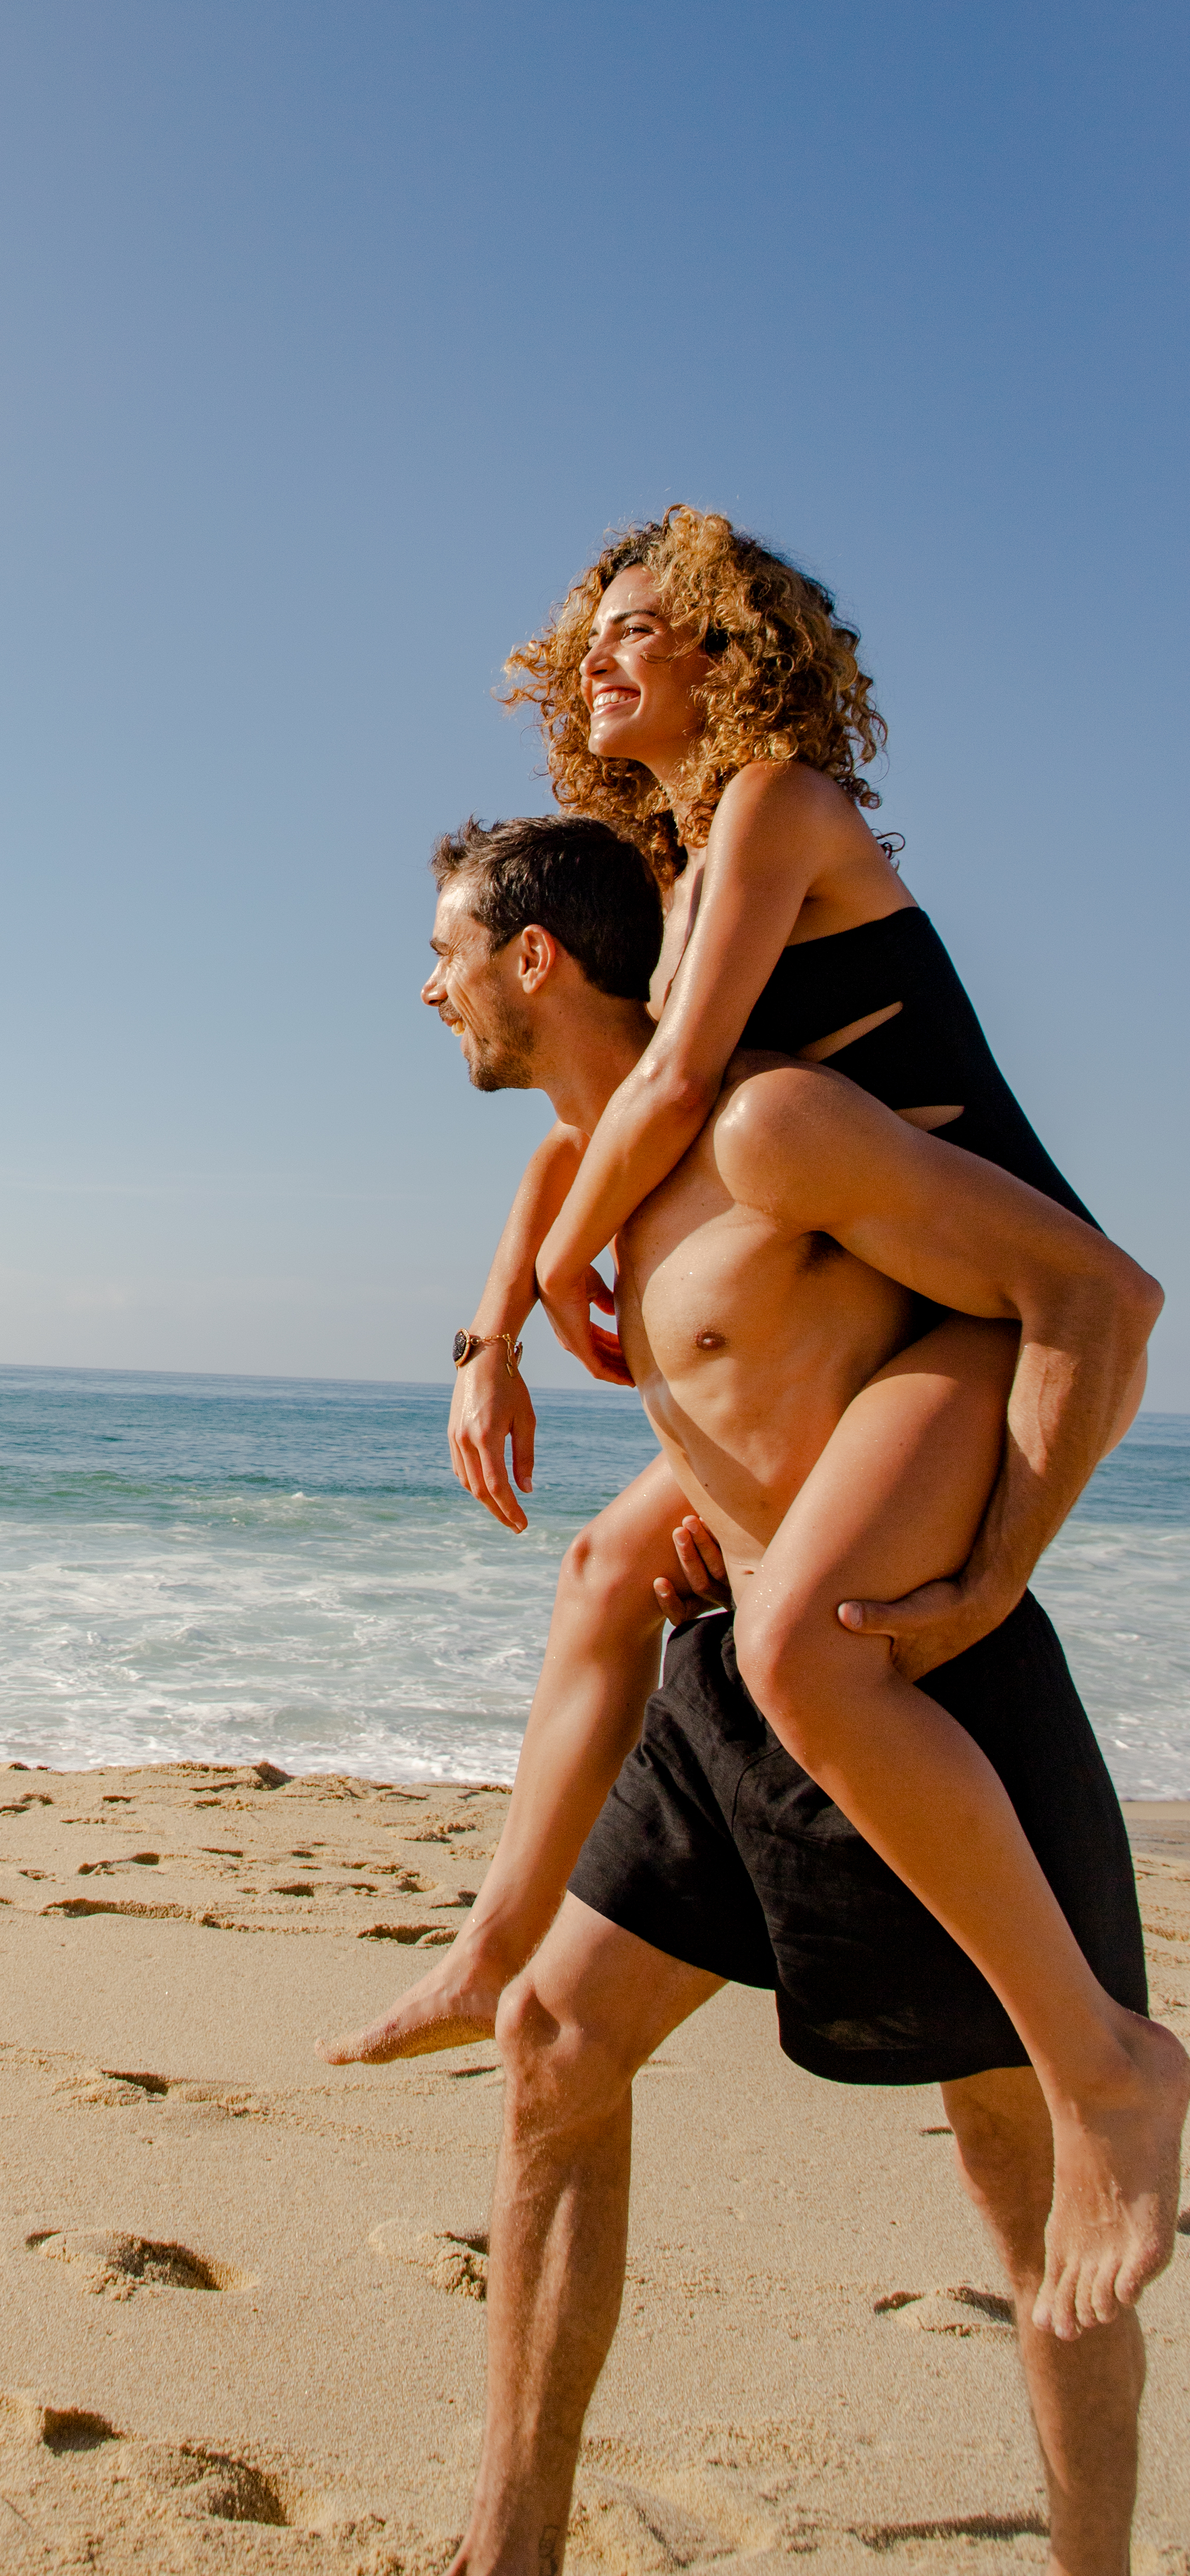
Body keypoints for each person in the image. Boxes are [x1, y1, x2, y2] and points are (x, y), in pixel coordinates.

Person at [330, 511, 1153, 2321]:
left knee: (794, 1642)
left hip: (995, 1308)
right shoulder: (680, 863)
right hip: (904, 1295)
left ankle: (1110, 2061)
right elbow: (598, 1112)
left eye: (641, 627)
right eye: (588, 638)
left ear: (728, 643)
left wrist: (573, 1271)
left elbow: (685, 1085)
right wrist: (494, 1322)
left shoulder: (775, 802)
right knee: (612, 1569)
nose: (601, 661)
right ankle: (491, 1954)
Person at [358, 817, 1178, 2572]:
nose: (422, 988)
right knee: (555, 2049)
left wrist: (992, 1571)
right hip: (728, 1682)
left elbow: (1089, 1300)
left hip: (913, 1691)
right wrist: (488, 1344)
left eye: (445, 954)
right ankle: (509, 2548)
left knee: (1022, 2170)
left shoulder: (770, 1126)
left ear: (537, 962)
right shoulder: (589, 1170)